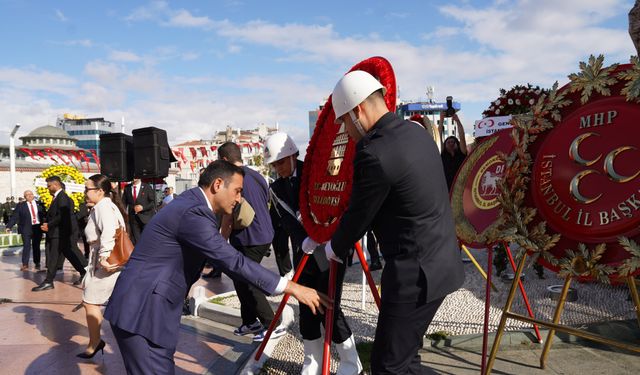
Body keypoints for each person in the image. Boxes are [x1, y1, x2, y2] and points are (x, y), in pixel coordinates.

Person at [104, 160, 329, 374]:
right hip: (143, 311)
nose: (240, 199)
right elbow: (231, 260)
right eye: (238, 191)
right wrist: (293, 287)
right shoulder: (194, 212)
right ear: (218, 184)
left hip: (150, 309)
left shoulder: (195, 205)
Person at [315, 70, 465, 374]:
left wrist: (333, 247)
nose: (346, 129)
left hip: (415, 274)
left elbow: (360, 214)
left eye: (344, 120)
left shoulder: (374, 151)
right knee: (406, 359)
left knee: (388, 366)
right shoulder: (415, 132)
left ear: (358, 110)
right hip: (441, 261)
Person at [266, 132, 362, 375]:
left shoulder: (314, 172)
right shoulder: (275, 188)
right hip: (305, 251)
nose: (278, 168)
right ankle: (313, 363)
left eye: (280, 162)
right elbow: (286, 220)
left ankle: (351, 362)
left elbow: (334, 200)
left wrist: (325, 237)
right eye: (274, 164)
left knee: (329, 306)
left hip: (329, 248)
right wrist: (303, 239)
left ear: (292, 156)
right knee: (307, 306)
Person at [217, 142, 285, 341]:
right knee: (239, 278)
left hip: (249, 237)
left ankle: (272, 325)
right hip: (262, 233)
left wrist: (220, 242)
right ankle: (249, 321)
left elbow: (228, 213)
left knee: (248, 281)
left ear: (224, 160)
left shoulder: (232, 179)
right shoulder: (257, 175)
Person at [77, 174, 127, 359]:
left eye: (87, 189)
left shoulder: (103, 207)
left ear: (100, 191)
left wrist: (105, 257)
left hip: (104, 260)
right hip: (101, 259)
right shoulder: (103, 206)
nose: (85, 193)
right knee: (93, 301)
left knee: (90, 302)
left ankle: (95, 343)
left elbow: (109, 231)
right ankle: (95, 341)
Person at [32, 176, 88, 291]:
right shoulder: (58, 197)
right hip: (59, 232)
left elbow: (61, 216)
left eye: (49, 186)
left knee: (53, 257)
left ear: (56, 185)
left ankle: (48, 281)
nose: (47, 188)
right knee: (68, 253)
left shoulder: (62, 197)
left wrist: (49, 225)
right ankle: (84, 273)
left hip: (59, 232)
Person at [6, 190, 45, 271]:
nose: (30, 196)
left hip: (37, 227)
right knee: (26, 246)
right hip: (26, 228)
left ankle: (37, 262)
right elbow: (15, 217)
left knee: (36, 246)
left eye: (31, 194)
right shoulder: (21, 206)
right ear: (25, 197)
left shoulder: (39, 204)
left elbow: (44, 215)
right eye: (27, 195)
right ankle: (25, 264)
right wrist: (9, 226)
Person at [439, 112, 468, 191]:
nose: (451, 143)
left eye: (453, 142)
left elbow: (462, 137)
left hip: (461, 188)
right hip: (446, 189)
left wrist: (457, 121)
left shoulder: (462, 153)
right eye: (448, 142)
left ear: (457, 145)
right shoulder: (442, 154)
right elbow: (439, 135)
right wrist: (441, 120)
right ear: (444, 145)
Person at [122, 178, 156, 244]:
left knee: (146, 239)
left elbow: (152, 202)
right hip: (133, 218)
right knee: (137, 240)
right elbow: (124, 202)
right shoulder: (127, 187)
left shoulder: (147, 187)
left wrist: (143, 207)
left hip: (146, 218)